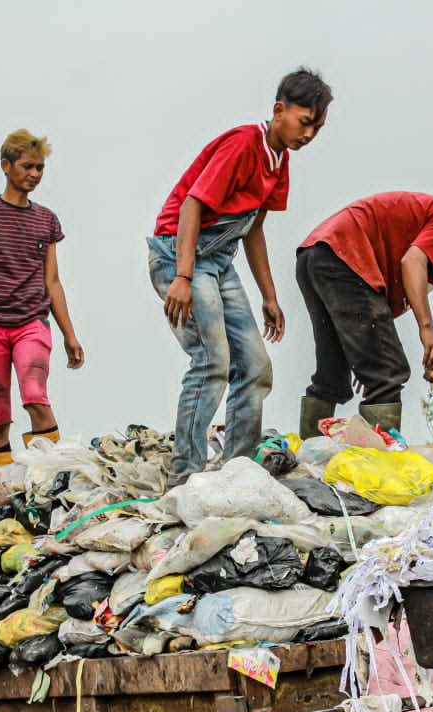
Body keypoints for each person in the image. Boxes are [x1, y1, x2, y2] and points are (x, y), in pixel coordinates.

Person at [149, 68, 333, 485]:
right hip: (180, 253)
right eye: (305, 122)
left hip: (219, 262)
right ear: (279, 110)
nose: (309, 134)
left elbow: (253, 229)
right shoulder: (243, 144)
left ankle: (238, 471)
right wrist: (182, 276)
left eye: (317, 128)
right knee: (212, 361)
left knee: (255, 364)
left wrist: (269, 295)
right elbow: (194, 204)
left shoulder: (280, 160)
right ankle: (185, 475)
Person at [295, 191, 433, 439]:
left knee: (332, 375)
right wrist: (426, 328)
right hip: (345, 256)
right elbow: (412, 262)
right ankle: (379, 466)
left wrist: (367, 353)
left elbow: (383, 303)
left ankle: (310, 456)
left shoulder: (431, 219)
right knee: (388, 373)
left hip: (316, 255)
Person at [0, 129, 84, 466]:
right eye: (27, 166)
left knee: (35, 397)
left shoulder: (46, 220)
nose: (34, 174)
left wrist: (70, 334)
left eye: (40, 168)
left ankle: (48, 477)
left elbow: (52, 281)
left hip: (32, 323)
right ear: (5, 166)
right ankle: (2, 485)